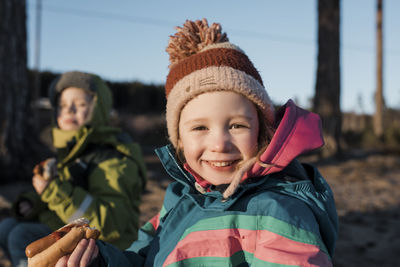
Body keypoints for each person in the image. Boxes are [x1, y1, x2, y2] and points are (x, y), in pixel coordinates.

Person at [55, 19, 338, 267]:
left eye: (237, 125)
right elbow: (142, 258)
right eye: (200, 127)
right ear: (178, 140)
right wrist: (100, 261)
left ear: (262, 132)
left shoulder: (277, 211)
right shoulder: (178, 199)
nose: (219, 143)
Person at [0, 71, 147, 267]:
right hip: (73, 231)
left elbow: (111, 225)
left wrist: (52, 190)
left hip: (107, 247)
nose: (68, 110)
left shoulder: (112, 159)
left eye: (80, 104)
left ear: (99, 109)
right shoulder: (70, 154)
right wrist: (33, 202)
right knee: (6, 227)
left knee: (21, 235)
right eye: (61, 106)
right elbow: (64, 194)